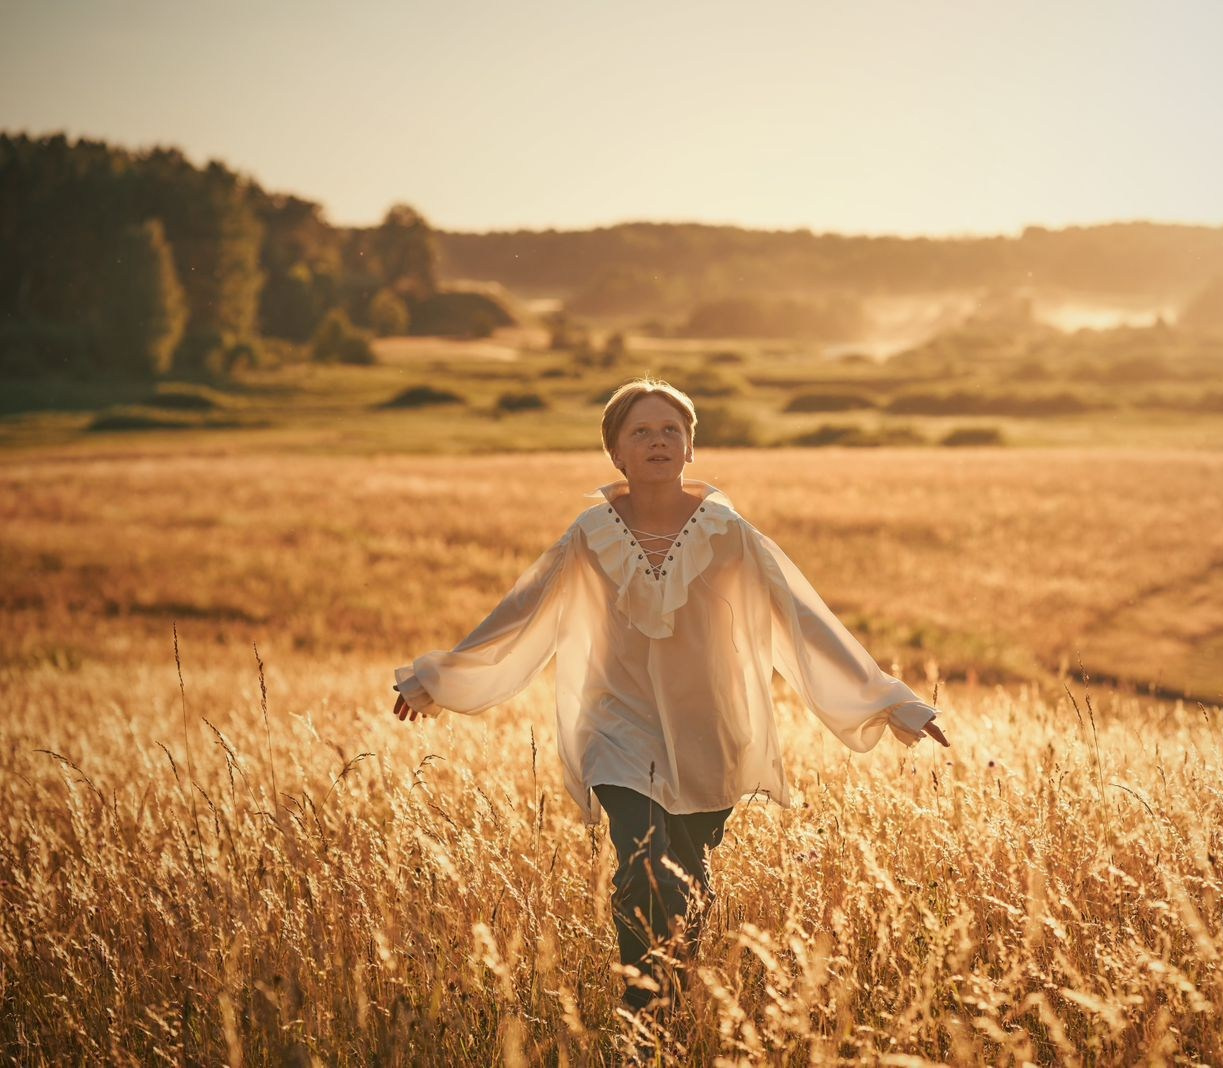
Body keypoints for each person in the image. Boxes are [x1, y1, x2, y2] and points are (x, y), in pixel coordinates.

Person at [390, 377, 950, 1016]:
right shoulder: (590, 533)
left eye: (670, 431)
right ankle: (641, 1009)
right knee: (645, 862)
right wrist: (441, 676)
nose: (658, 441)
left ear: (690, 447)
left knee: (685, 877)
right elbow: (522, 611)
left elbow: (801, 617)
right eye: (641, 431)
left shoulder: (728, 532)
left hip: (709, 729)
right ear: (616, 452)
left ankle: (670, 1006)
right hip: (616, 725)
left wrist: (888, 699)